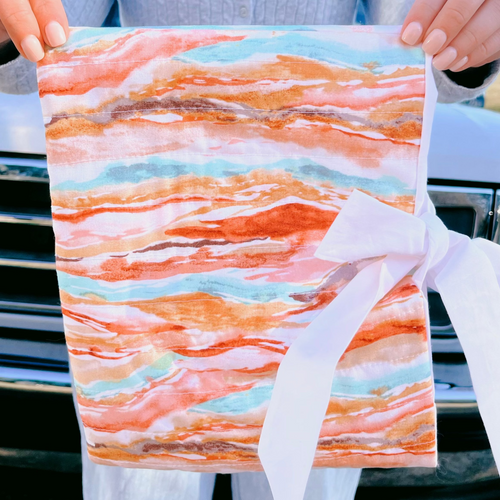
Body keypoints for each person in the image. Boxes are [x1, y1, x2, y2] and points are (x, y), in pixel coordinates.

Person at [0, 1, 499, 500]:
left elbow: (419, 50)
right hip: (149, 274)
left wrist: (466, 28)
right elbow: (39, 48)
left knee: (312, 469)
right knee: (144, 477)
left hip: (327, 258)